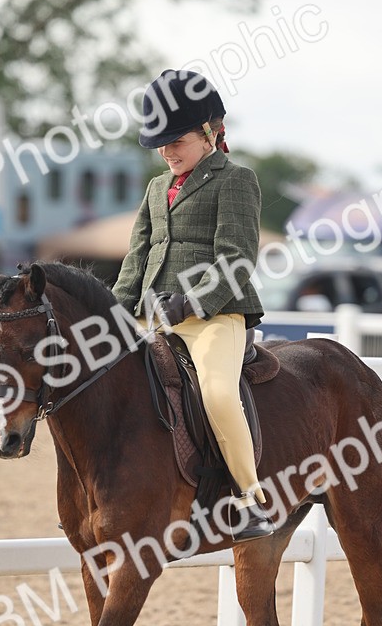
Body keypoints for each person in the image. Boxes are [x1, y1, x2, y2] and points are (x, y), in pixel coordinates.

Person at [112, 69, 274, 540]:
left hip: (214, 316)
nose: (166, 151)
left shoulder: (236, 181)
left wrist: (190, 301)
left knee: (218, 393)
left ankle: (248, 500)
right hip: (154, 316)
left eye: (176, 140)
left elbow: (238, 258)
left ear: (209, 132)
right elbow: (137, 256)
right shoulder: (155, 189)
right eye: (159, 143)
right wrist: (117, 311)